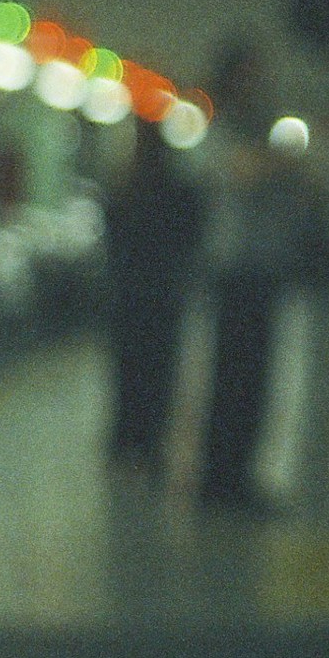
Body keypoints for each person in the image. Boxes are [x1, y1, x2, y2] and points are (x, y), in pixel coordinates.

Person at [196, 38, 312, 512]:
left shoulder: (260, 129)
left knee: (257, 379)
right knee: (232, 379)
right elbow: (239, 172)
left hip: (265, 267)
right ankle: (218, 480)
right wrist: (283, 161)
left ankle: (241, 474)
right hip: (235, 270)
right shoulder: (218, 127)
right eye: (249, 74)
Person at [102, 119, 206, 476]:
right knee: (159, 373)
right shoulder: (179, 191)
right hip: (163, 295)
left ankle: (122, 443)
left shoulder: (122, 189)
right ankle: (150, 446)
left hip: (128, 295)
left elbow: (110, 240)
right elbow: (193, 237)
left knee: (126, 373)